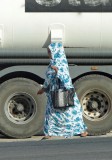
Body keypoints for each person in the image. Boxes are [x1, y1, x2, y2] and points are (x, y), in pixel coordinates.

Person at [37, 42, 88, 139]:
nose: (48, 54)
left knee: (71, 111)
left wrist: (56, 72)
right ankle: (49, 132)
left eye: (50, 51)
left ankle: (82, 131)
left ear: (56, 51)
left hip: (63, 91)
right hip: (56, 91)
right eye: (48, 51)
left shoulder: (59, 63)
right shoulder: (55, 62)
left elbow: (62, 77)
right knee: (52, 113)